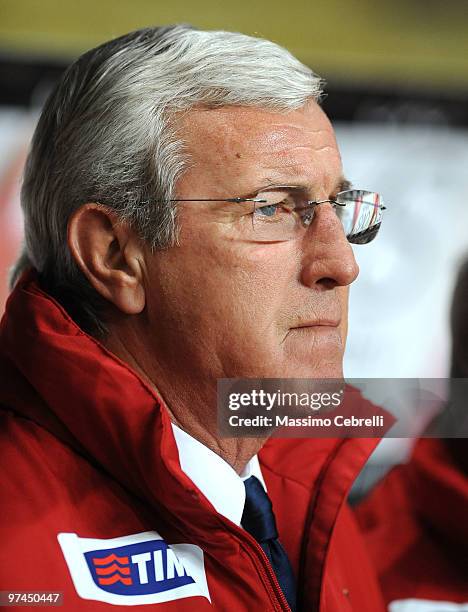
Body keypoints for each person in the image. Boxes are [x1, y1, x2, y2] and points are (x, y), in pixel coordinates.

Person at [0, 25, 465, 611]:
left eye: (337, 207)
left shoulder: (295, 480)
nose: (341, 264)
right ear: (117, 255)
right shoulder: (16, 554)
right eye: (271, 208)